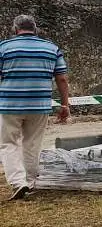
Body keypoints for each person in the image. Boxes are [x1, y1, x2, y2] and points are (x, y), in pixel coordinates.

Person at [0, 15, 70, 200]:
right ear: (35, 29)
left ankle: (18, 182)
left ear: (15, 29)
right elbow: (62, 78)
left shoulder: (3, 48)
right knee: (32, 144)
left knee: (8, 144)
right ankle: (30, 183)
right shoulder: (52, 48)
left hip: (9, 105)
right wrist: (65, 104)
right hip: (39, 105)